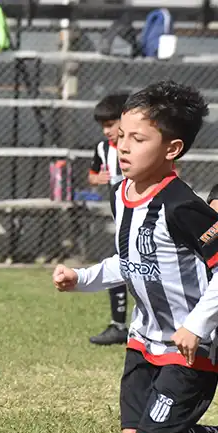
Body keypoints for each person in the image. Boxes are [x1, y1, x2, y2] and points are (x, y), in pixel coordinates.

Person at [53, 81, 218, 433]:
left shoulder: (183, 206)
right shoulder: (122, 193)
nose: (122, 147)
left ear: (172, 149)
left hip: (190, 345)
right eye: (120, 136)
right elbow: (130, 261)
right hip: (144, 340)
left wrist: (197, 325)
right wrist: (82, 278)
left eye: (137, 139)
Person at [87, 92, 131, 346]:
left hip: (142, 220)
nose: (106, 131)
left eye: (110, 124)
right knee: (118, 268)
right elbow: (92, 175)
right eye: (102, 126)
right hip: (121, 221)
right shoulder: (102, 149)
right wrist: (97, 178)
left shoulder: (139, 147)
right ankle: (119, 326)